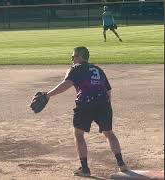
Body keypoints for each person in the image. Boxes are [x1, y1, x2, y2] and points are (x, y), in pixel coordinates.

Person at [45, 46, 128, 177]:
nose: (72, 59)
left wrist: (47, 95)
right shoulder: (98, 69)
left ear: (80, 57)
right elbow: (108, 90)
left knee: (78, 135)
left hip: (85, 104)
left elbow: (65, 85)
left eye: (73, 56)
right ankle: (121, 164)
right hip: (103, 104)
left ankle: (84, 169)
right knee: (109, 134)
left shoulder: (75, 69)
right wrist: (106, 107)